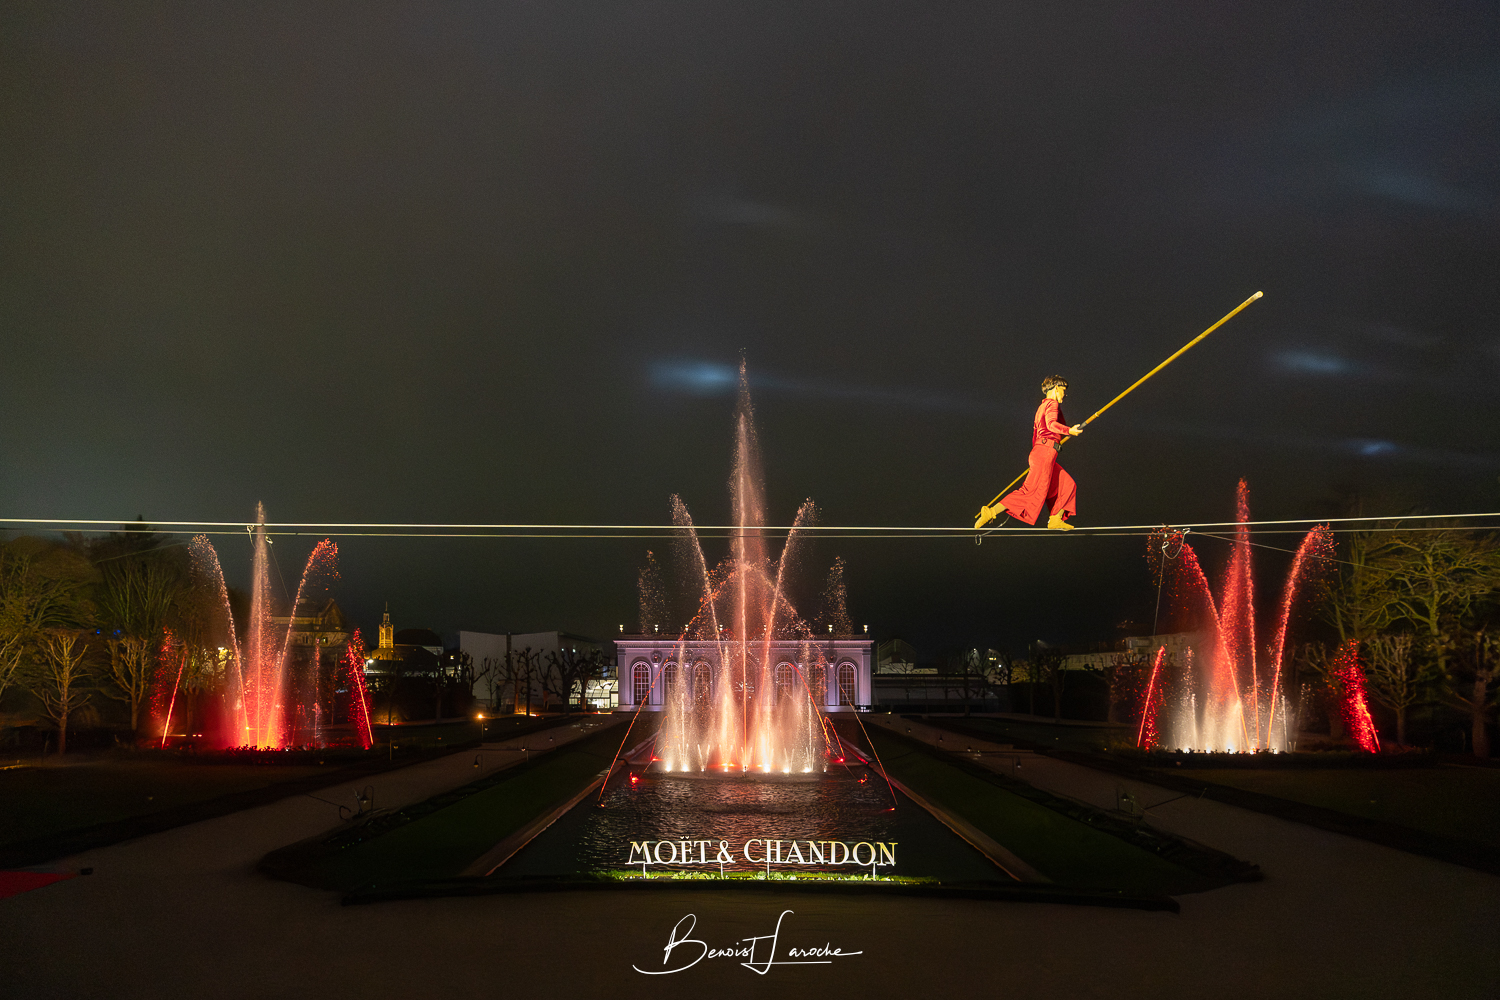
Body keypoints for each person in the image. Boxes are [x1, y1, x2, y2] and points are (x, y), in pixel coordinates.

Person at [997, 375, 1082, 530]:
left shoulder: (1042, 406)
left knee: (1067, 485)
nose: (1065, 394)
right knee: (1030, 491)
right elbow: (1051, 425)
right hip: (1044, 452)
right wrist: (1069, 430)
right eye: (1063, 390)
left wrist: (1038, 454)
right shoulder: (1052, 404)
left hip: (1042, 452)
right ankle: (991, 512)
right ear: (1056, 388)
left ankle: (1055, 519)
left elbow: (1036, 434)